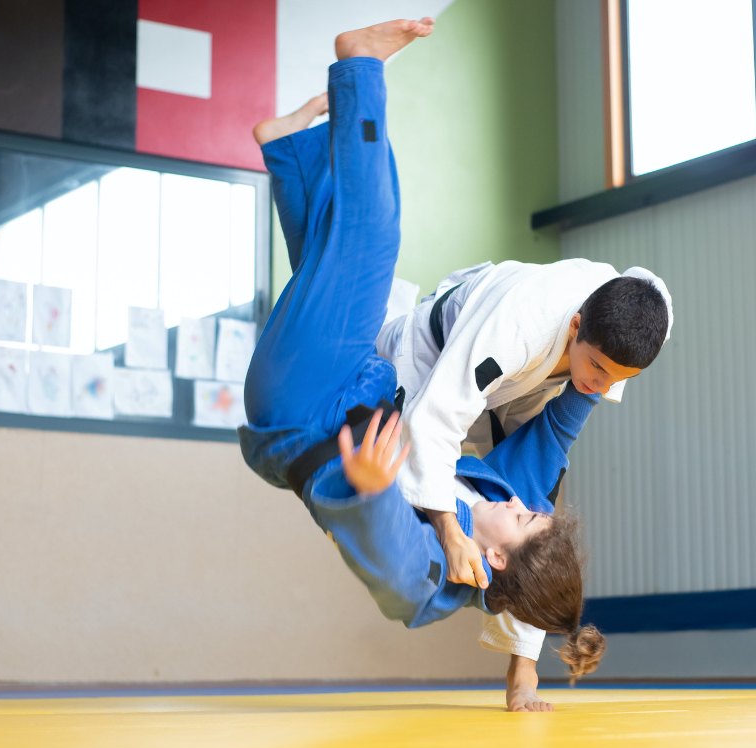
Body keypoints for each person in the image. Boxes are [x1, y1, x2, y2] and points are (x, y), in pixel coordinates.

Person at [238, 19, 605, 684]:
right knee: (335, 258)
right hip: (359, 375)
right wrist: (600, 369)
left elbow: (388, 561)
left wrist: (375, 492)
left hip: (304, 407)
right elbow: (559, 426)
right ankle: (289, 149)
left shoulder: (432, 582)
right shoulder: (504, 499)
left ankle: (360, 68)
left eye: (525, 520)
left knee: (370, 238)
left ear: (494, 560)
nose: (528, 504)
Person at [375, 205, 673, 711]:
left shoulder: (640, 321)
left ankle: (522, 671)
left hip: (528, 383)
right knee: (406, 450)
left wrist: (589, 380)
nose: (601, 385)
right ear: (576, 324)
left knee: (537, 514)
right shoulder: (520, 320)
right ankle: (380, 308)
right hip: (435, 351)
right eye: (597, 367)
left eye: (617, 378)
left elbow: (562, 426)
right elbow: (435, 419)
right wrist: (450, 534)